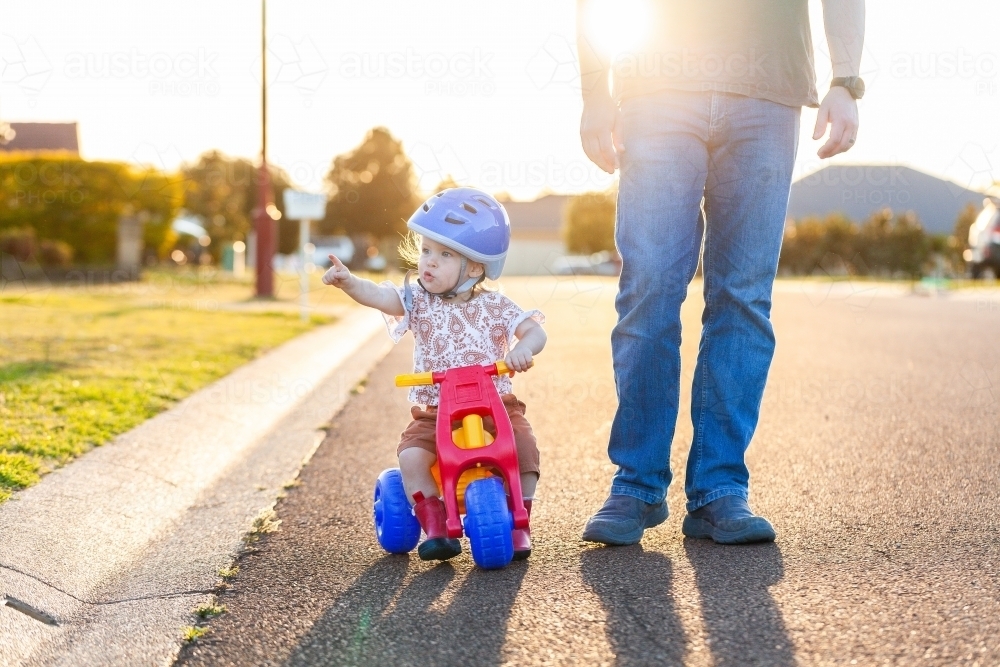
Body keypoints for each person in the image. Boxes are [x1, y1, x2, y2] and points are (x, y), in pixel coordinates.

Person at [577, 0, 865, 545]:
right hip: (657, 87)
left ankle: (718, 489)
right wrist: (595, 91)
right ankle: (636, 484)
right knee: (650, 288)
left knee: (743, 297)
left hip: (769, 90)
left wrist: (846, 80)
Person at [323, 187, 547, 560]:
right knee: (411, 456)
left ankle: (520, 519)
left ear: (475, 266)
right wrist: (350, 283)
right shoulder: (418, 302)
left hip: (495, 406)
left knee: (524, 448)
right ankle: (436, 523)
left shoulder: (495, 305)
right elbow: (380, 296)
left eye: (444, 255)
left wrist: (523, 348)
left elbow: (534, 330)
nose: (429, 261)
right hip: (435, 409)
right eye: (426, 250)